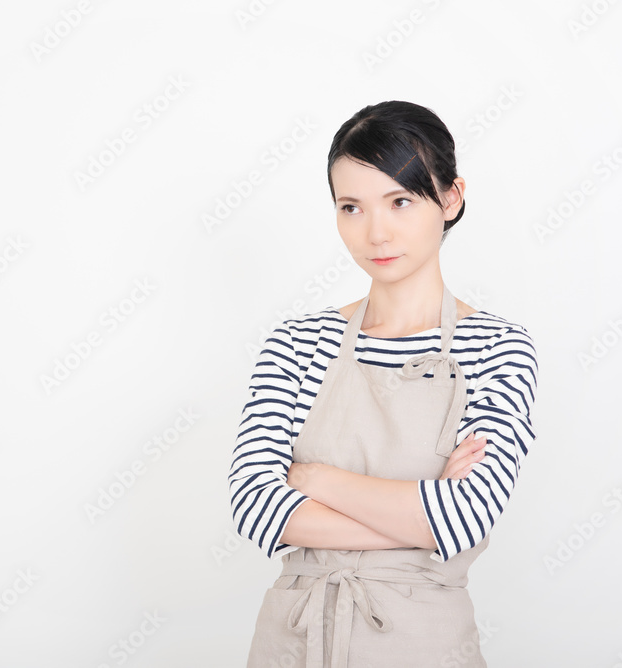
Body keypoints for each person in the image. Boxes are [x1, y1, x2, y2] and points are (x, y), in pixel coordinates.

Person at [228, 100, 539, 667]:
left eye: (400, 201)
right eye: (351, 207)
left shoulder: (498, 348)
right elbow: (255, 505)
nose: (375, 232)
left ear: (450, 198)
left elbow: (468, 514)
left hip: (425, 642)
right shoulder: (297, 343)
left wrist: (314, 478)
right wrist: (423, 521)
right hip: (292, 640)